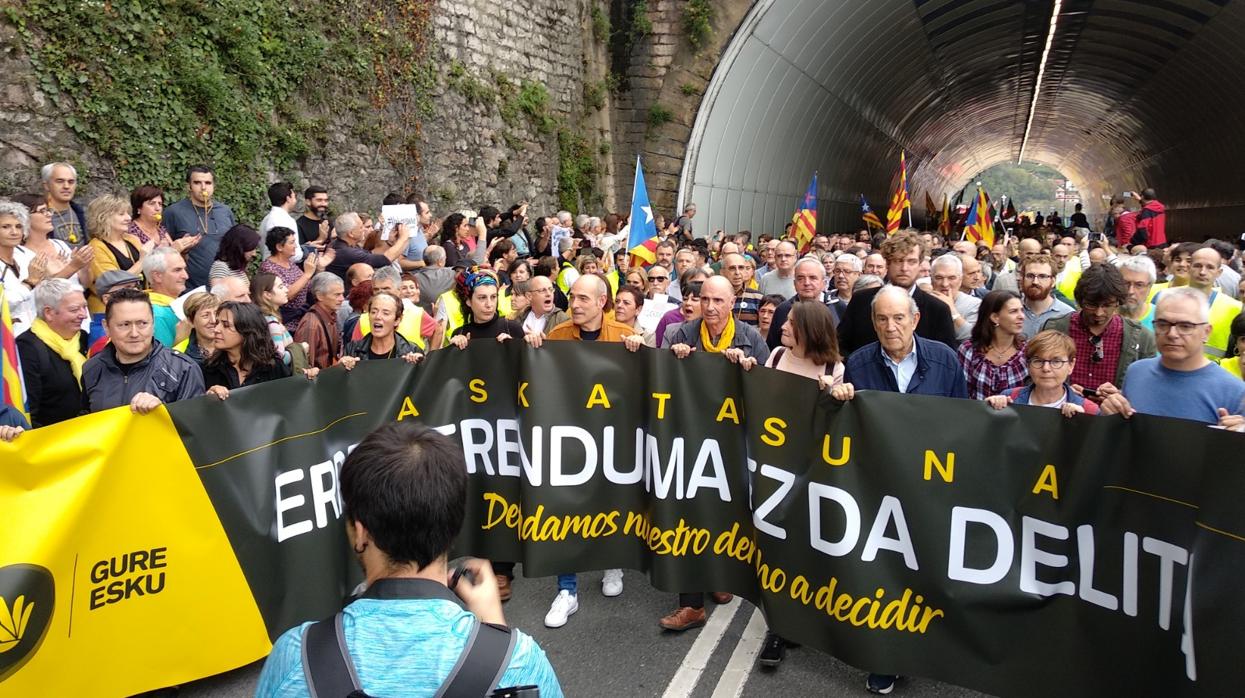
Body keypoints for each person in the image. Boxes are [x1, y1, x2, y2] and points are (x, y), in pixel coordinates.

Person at [254, 421, 563, 697]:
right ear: (453, 523)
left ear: (360, 531)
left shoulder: (296, 658)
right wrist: (496, 636)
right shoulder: (521, 664)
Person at [829, 285, 967, 695]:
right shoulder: (858, 362)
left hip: (929, 486)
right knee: (882, 574)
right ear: (872, 323)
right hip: (879, 488)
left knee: (925, 570)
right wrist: (840, 399)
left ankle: (922, 650)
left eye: (899, 318)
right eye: (882, 319)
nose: (891, 327)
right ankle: (885, 659)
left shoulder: (945, 359)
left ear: (915, 319)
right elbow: (851, 425)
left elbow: (961, 421)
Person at [521, 275, 640, 628]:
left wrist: (641, 352)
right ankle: (567, 590)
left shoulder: (623, 336)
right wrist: (532, 347)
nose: (575, 304)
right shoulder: (556, 337)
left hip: (612, 438)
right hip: (570, 439)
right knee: (563, 504)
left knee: (610, 499)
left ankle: (612, 561)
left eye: (584, 299)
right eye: (573, 297)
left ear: (602, 301)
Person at [658, 275, 770, 632]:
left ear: (733, 302)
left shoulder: (750, 339)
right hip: (687, 439)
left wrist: (747, 370)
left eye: (717, 301)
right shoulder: (680, 334)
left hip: (731, 442)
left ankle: (720, 575)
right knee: (688, 515)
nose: (709, 308)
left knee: (725, 514)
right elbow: (657, 381)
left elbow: (768, 393)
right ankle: (690, 605)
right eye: (704, 299)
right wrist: (673, 362)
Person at [1100, 288, 1244, 426]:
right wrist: (1108, 412)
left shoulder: (1234, 392)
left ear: (1206, 332)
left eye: (1185, 326)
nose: (1172, 334)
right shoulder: (1136, 372)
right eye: (1163, 324)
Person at [81, 288, 204, 413]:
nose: (134, 333)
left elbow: (194, 424)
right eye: (125, 325)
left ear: (153, 324)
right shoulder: (92, 369)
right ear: (106, 327)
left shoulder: (183, 369)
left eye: (142, 323)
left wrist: (163, 412)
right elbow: (84, 424)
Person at [1043, 262, 1156, 394]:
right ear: (1080, 301)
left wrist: (1121, 394)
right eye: (1091, 305)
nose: (1099, 313)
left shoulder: (1141, 338)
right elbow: (1033, 375)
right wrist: (1060, 391)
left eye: (1107, 305)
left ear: (1118, 302)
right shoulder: (1055, 328)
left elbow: (1148, 389)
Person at [838, 232, 957, 354]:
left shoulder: (937, 310)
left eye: (911, 261)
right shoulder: (861, 300)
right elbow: (840, 346)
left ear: (920, 265)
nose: (904, 268)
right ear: (887, 263)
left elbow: (946, 359)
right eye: (898, 261)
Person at [15, 279, 89, 426]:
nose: (84, 315)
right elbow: (29, 411)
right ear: (48, 313)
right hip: (52, 442)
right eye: (74, 310)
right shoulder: (27, 349)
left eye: (84, 307)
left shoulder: (84, 339)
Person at [205, 302, 315, 399]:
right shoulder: (210, 368)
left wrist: (309, 378)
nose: (216, 329)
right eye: (217, 323)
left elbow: (291, 402)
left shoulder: (273, 366)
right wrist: (209, 397)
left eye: (226, 325)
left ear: (247, 331)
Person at [985, 330, 1100, 416]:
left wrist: (1085, 422)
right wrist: (987, 410)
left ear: (1071, 365)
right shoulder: (1010, 398)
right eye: (1038, 361)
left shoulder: (1089, 409)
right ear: (1028, 365)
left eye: (1056, 361)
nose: (1046, 368)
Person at [163, 165, 238, 288]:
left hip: (225, 286)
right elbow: (163, 251)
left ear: (214, 186)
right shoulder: (173, 212)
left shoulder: (225, 211)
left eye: (208, 183)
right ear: (189, 186)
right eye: (197, 183)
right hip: (189, 288)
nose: (203, 187)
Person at [11, 193, 93, 294]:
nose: (49, 214)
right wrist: (73, 267)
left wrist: (85, 267)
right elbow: (38, 292)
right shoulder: (19, 254)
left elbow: (85, 284)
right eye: (42, 211)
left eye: (48, 210)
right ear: (25, 217)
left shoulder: (59, 244)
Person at [957, 291, 1028, 401]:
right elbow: (961, 393)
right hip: (976, 414)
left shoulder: (1028, 351)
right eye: (1013, 311)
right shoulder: (968, 350)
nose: (1021, 316)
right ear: (995, 317)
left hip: (1018, 416)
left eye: (1022, 310)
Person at [85, 195, 145, 323]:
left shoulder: (132, 240)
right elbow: (113, 285)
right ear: (103, 217)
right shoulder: (96, 247)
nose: (128, 218)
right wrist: (143, 262)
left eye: (128, 213)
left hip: (137, 308)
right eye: (121, 214)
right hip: (108, 313)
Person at [259, 226, 332, 328]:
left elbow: (307, 285)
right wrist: (307, 274)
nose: (296, 246)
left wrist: (320, 268)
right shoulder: (268, 267)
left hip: (301, 318)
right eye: (292, 242)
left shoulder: (290, 263)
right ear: (279, 247)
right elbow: (287, 294)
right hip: (286, 321)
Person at [1182, 246, 1243, 361]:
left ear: (1219, 272)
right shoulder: (1166, 298)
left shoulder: (1235, 307)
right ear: (1189, 268)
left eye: (1210, 267)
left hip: (1216, 373)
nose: (1202, 272)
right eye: (1198, 265)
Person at [341, 292, 425, 369]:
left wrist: (421, 364)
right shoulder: (353, 349)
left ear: (397, 320)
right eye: (373, 312)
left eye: (385, 313)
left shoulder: (411, 350)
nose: (377, 317)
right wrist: (341, 368)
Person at [447, 268, 524, 348]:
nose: (489, 304)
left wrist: (514, 347)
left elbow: (524, 359)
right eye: (482, 298)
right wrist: (453, 350)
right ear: (468, 301)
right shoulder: (460, 333)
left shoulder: (512, 329)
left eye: (493, 297)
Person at [765, 257, 832, 349]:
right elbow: (773, 346)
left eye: (813, 278)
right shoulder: (783, 310)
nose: (806, 283)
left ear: (824, 283)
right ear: (794, 283)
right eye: (800, 278)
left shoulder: (836, 307)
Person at [326, 213, 409, 282]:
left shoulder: (341, 245)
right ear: (351, 233)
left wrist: (393, 242)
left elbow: (372, 255)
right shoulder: (347, 252)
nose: (363, 230)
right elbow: (384, 260)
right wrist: (403, 238)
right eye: (361, 227)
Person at [294, 272, 345, 370]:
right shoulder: (311, 325)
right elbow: (304, 365)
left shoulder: (331, 315)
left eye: (342, 294)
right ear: (319, 296)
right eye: (337, 295)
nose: (342, 299)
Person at [1018, 253, 1073, 338]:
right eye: (1030, 276)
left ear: (1053, 281)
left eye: (1042, 276)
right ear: (1022, 279)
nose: (1035, 282)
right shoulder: (1010, 311)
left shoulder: (1068, 315)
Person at [144, 246, 189, 348]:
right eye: (177, 270)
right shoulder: (156, 314)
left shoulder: (173, 305)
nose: (186, 276)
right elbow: (162, 360)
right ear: (157, 276)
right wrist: (181, 340)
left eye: (184, 269)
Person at [926, 254, 979, 342]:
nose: (945, 284)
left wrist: (951, 310)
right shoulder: (922, 302)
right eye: (939, 278)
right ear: (931, 279)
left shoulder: (974, 305)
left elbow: (971, 337)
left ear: (960, 279)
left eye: (951, 278)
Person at [252, 273, 299, 365]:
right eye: (281, 287)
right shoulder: (271, 322)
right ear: (267, 294)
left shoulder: (261, 317)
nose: (286, 290)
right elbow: (280, 360)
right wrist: (301, 349)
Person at [129, 185, 189, 253]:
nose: (158, 208)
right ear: (139, 208)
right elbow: (140, 261)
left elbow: (176, 258)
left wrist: (183, 248)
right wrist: (173, 250)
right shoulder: (132, 231)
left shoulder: (160, 229)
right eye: (152, 204)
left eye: (160, 204)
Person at [41, 162, 88, 246]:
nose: (66, 186)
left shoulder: (82, 213)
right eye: (60, 181)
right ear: (46, 185)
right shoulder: (38, 216)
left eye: (71, 182)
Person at [258, 182, 303, 263]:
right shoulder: (285, 220)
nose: (295, 200)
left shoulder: (266, 219)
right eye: (294, 196)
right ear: (288, 198)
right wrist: (306, 252)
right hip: (280, 268)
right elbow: (293, 255)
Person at [719, 252, 763, 325]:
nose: (737, 272)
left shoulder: (758, 298)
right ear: (722, 272)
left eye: (741, 268)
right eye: (732, 268)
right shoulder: (714, 296)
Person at [1119, 255, 1158, 330]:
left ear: (1150, 287)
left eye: (1139, 285)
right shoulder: (1105, 315)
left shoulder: (1159, 316)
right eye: (1125, 283)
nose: (1130, 291)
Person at [181, 291, 218, 366]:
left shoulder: (234, 346)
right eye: (205, 315)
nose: (213, 320)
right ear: (191, 321)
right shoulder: (180, 353)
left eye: (216, 313)